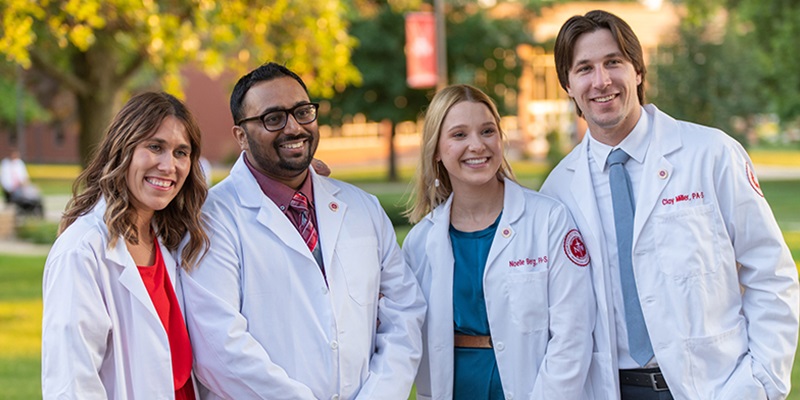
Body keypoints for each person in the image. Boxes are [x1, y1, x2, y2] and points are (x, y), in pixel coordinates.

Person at [540, 10, 799, 400]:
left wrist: (761, 383)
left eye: (613, 62)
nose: (601, 81)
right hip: (611, 389)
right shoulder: (558, 190)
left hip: (715, 387)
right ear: (568, 85)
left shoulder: (710, 154)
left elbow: (771, 273)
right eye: (584, 69)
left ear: (638, 71)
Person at [180, 62, 426, 399]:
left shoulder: (362, 208)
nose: (294, 127)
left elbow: (404, 311)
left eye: (302, 112)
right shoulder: (212, 220)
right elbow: (219, 348)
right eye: (273, 118)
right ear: (241, 136)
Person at [403, 84, 594, 399]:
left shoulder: (548, 220)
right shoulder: (419, 243)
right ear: (436, 149)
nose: (477, 145)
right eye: (459, 135)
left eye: (487, 131)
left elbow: (573, 334)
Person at [41, 92, 208, 399]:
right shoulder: (82, 251)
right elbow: (72, 383)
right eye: (155, 147)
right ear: (122, 149)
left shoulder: (171, 240)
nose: (169, 165)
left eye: (181, 153)